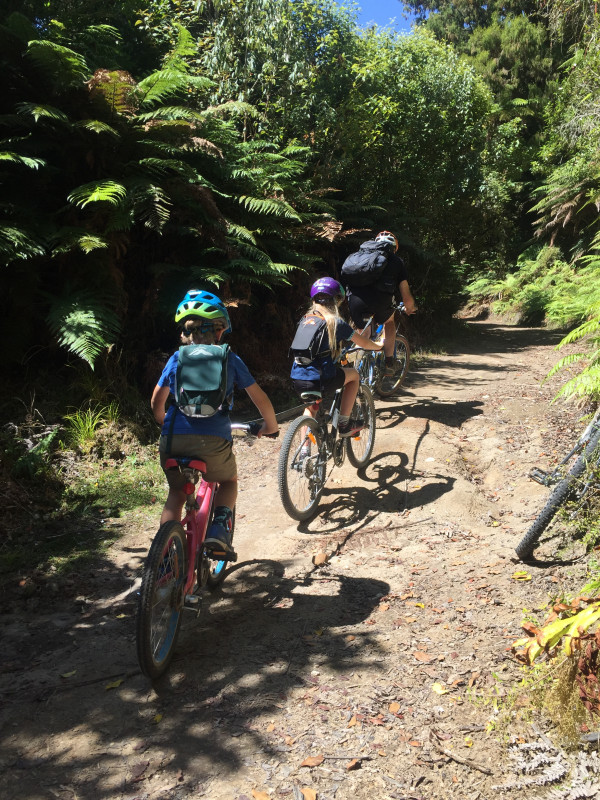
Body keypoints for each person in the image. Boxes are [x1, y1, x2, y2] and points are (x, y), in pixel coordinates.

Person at [151, 289, 279, 555]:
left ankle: (163, 558)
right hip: (214, 440)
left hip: (173, 437)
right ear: (220, 331)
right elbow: (260, 398)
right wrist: (271, 427)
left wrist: (166, 424)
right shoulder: (229, 358)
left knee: (176, 493)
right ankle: (219, 533)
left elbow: (156, 403)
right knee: (229, 481)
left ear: (185, 332)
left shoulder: (176, 359)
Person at [290, 277, 383, 436]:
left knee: (310, 409)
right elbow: (364, 343)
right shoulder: (335, 323)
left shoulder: (304, 320)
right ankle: (344, 424)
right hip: (321, 378)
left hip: (297, 377)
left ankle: (304, 453)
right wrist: (379, 346)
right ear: (335, 301)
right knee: (354, 376)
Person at [345, 231, 416, 376]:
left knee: (363, 330)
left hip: (354, 300)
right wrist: (410, 307)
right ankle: (389, 363)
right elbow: (406, 295)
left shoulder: (360, 256)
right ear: (394, 248)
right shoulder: (395, 261)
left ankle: (356, 369)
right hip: (380, 302)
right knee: (389, 322)